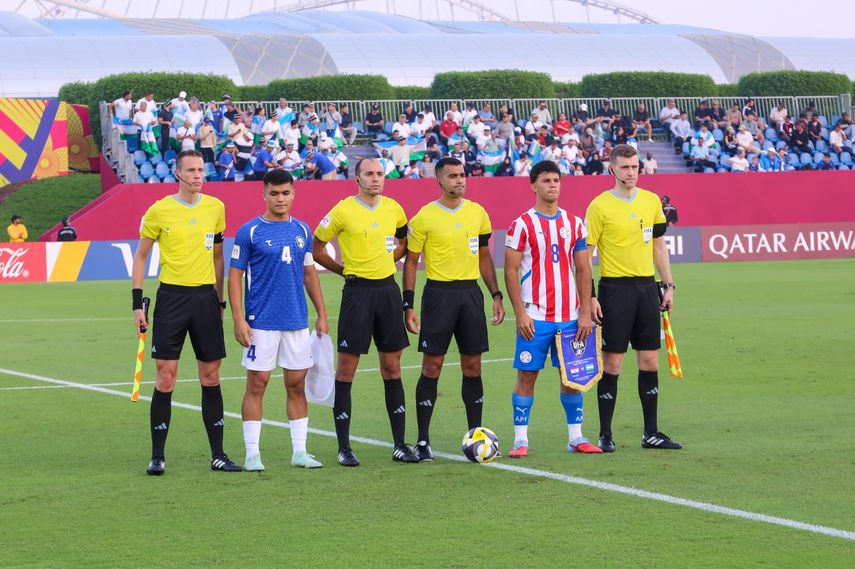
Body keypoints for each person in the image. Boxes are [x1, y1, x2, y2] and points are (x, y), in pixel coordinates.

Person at [131, 149, 241, 475]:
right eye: (191, 170)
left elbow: (219, 257)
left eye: (201, 170)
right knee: (166, 376)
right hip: (171, 299)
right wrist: (137, 303)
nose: (197, 175)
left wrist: (219, 301)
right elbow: (140, 257)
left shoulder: (216, 208)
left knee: (211, 375)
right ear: (177, 173)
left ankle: (219, 455)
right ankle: (157, 456)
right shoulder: (159, 211)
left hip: (205, 299)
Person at [312, 158, 417, 466]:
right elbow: (317, 248)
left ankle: (399, 444)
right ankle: (344, 447)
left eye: (379, 174)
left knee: (392, 369)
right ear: (356, 179)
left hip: (387, 292)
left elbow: (404, 240)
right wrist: (342, 270)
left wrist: (390, 260)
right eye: (369, 174)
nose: (375, 179)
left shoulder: (394, 208)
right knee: (346, 370)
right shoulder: (343, 209)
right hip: (357, 294)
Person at [402, 157, 505, 461]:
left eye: (462, 175)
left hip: (470, 295)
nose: (460, 180)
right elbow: (410, 262)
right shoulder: (424, 217)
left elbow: (485, 257)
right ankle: (422, 440)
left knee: (473, 367)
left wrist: (496, 294)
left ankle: (476, 435)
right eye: (453, 176)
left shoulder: (478, 213)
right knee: (431, 367)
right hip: (438, 296)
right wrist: (408, 303)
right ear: (439, 180)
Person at [228, 170, 328, 471]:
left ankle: (300, 452)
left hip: (296, 320)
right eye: (274, 193)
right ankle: (252, 454)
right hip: (260, 322)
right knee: (257, 384)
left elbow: (310, 273)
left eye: (285, 193)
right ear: (265, 195)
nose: (280, 198)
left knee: (296, 385)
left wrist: (321, 313)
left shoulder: (302, 230)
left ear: (293, 194)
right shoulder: (250, 231)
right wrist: (238, 318)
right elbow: (235, 276)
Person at [585, 144, 681, 453]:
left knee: (650, 361)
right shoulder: (599, 206)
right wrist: (590, 296)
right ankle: (605, 434)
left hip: (646, 289)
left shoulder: (651, 201)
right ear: (612, 169)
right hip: (614, 290)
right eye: (625, 167)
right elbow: (585, 255)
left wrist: (668, 285)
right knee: (612, 364)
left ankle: (650, 433)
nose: (631, 172)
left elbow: (658, 246)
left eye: (635, 167)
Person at [504, 160, 601, 458]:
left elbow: (584, 270)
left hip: (571, 318)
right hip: (535, 317)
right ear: (534, 185)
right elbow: (509, 270)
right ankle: (521, 440)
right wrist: (520, 312)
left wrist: (585, 312)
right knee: (526, 376)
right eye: (546, 181)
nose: (553, 185)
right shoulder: (521, 224)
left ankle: (576, 437)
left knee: (572, 377)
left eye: (556, 180)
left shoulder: (574, 224)